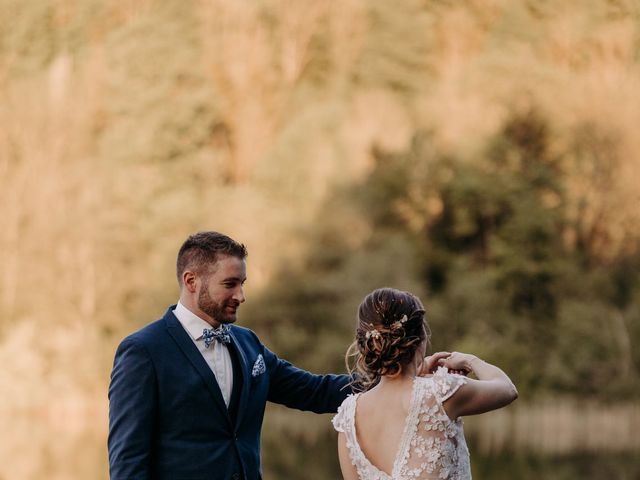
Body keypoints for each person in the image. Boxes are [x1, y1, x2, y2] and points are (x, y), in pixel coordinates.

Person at [108, 231, 352, 480]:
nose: (241, 296)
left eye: (242, 283)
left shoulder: (248, 343)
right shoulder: (143, 351)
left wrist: (385, 380)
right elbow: (127, 461)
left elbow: (315, 391)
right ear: (191, 281)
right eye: (230, 284)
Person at [332, 288, 518, 480]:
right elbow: (507, 389)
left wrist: (415, 373)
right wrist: (470, 360)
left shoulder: (348, 416)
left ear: (367, 345)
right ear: (421, 339)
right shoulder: (439, 393)